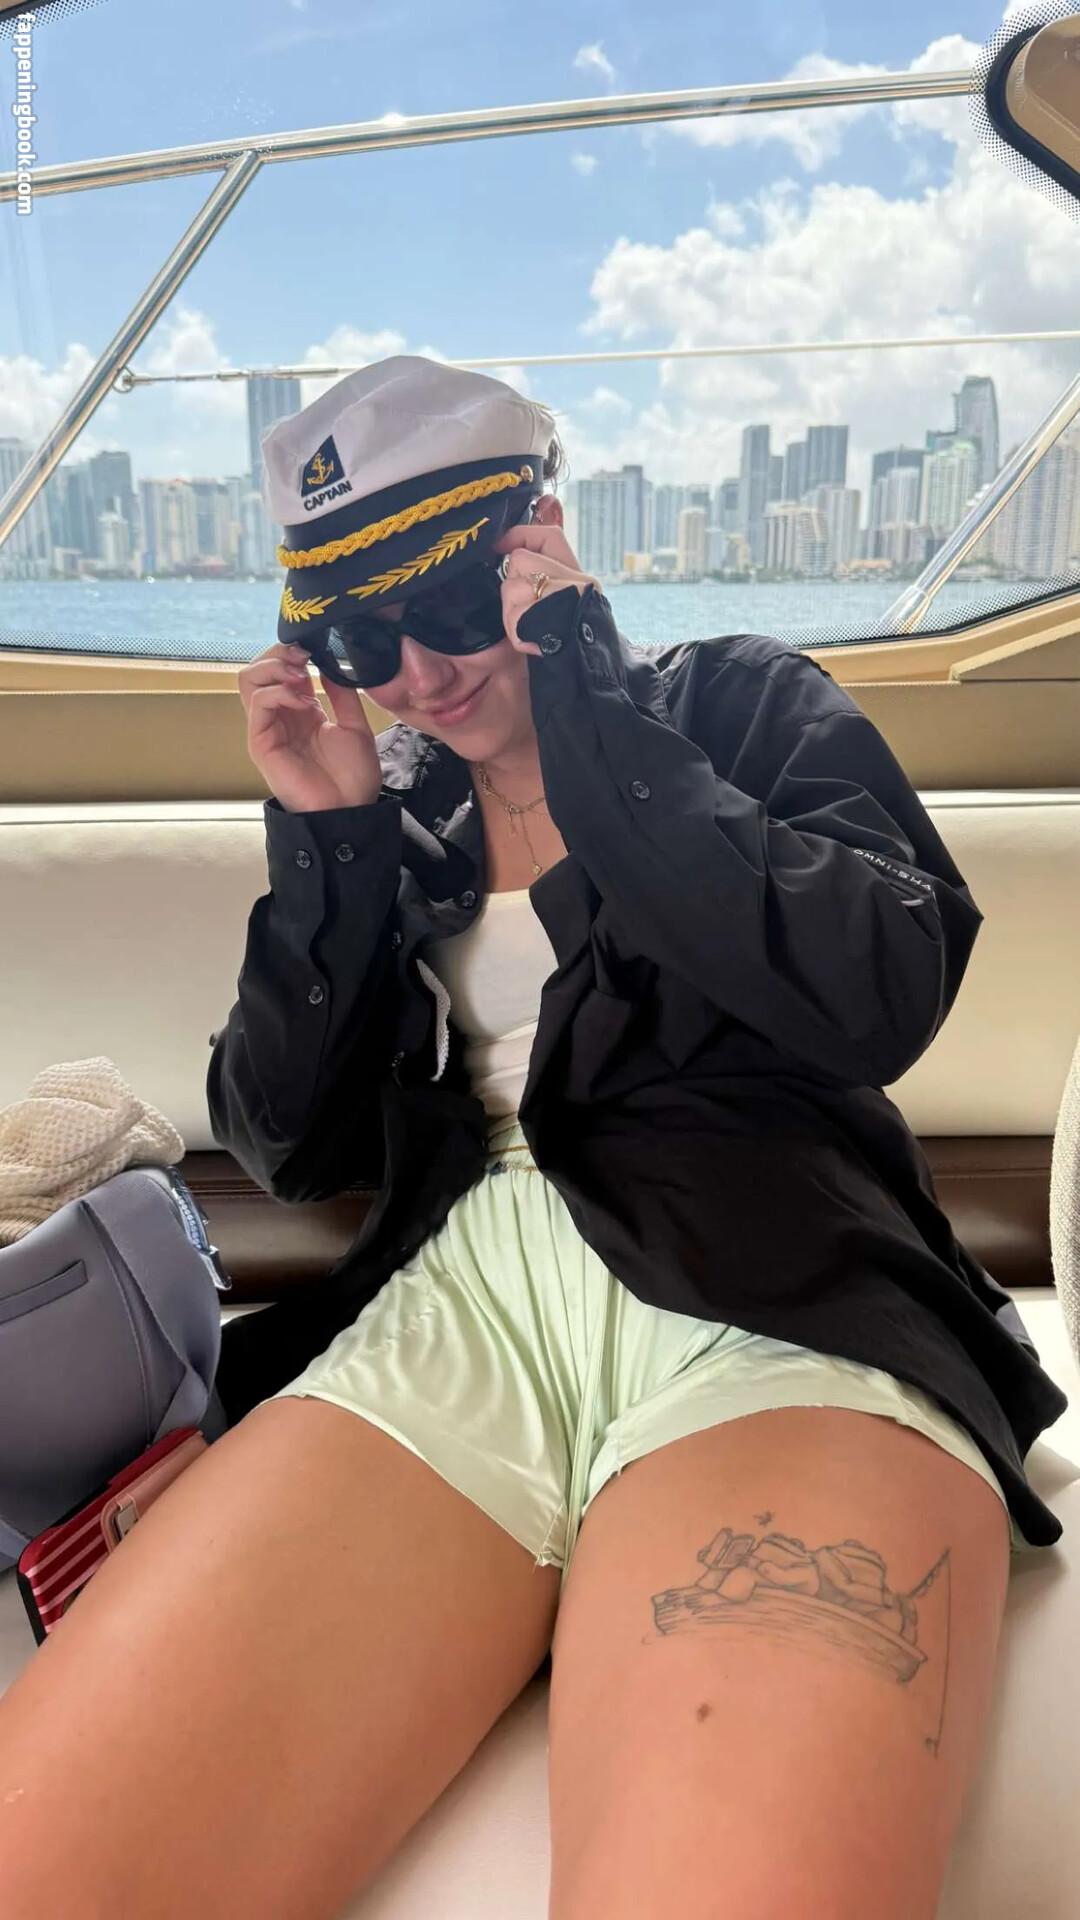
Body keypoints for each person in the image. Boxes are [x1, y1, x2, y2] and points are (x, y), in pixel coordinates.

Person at [0, 356, 1068, 1920]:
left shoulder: (736, 704)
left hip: (769, 1286)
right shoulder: (395, 805)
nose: (419, 674)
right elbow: (287, 1144)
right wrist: (333, 843)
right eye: (361, 641)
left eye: (446, 607)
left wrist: (590, 718)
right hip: (455, 1312)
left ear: (537, 543)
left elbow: (879, 993)